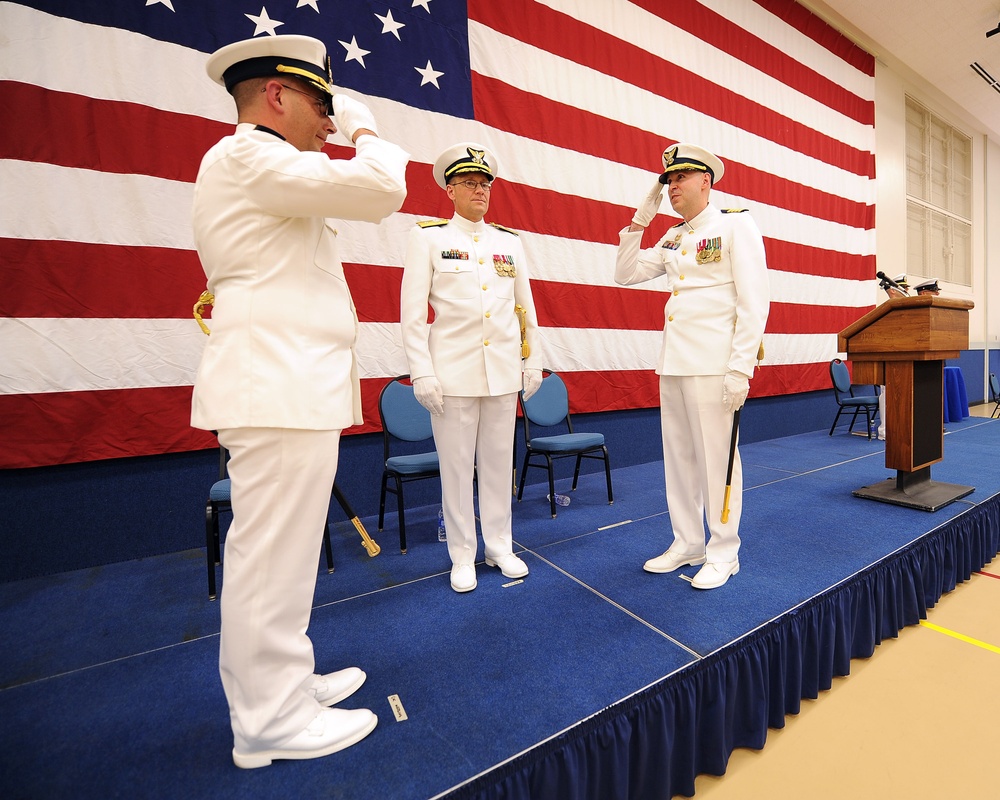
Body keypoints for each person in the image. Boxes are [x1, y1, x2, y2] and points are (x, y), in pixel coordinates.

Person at [190, 35, 408, 768]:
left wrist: (337, 122)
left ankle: (285, 683)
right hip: (273, 381)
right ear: (276, 95)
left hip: (290, 381)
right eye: (322, 103)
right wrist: (366, 123)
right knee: (268, 555)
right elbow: (382, 188)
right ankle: (266, 723)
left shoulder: (270, 164)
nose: (328, 122)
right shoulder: (249, 156)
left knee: (283, 553)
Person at [614, 144, 769, 589]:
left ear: (706, 181)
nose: (672, 186)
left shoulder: (735, 225)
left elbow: (753, 301)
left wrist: (741, 368)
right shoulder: (673, 237)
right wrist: (640, 222)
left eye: (680, 177)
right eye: (668, 180)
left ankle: (724, 551)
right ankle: (687, 542)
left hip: (715, 364)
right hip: (675, 363)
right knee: (679, 460)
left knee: (718, 461)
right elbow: (625, 274)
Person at [400, 143, 543, 593]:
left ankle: (500, 545)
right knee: (457, 469)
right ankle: (462, 553)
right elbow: (412, 314)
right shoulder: (429, 238)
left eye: (485, 184)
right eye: (469, 183)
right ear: (450, 190)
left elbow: (525, 311)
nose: (480, 191)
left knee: (499, 465)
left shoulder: (509, 243)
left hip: (501, 371)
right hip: (453, 375)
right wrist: (421, 371)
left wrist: (533, 361)